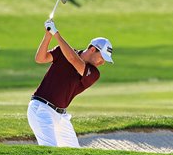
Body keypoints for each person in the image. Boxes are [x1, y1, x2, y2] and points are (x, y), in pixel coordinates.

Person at [27, 19, 113, 147]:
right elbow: (40, 58)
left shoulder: (94, 73)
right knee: (49, 151)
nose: (102, 62)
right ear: (92, 49)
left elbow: (74, 60)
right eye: (102, 57)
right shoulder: (61, 51)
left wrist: (56, 33)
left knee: (74, 154)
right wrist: (48, 36)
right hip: (41, 108)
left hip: (61, 117)